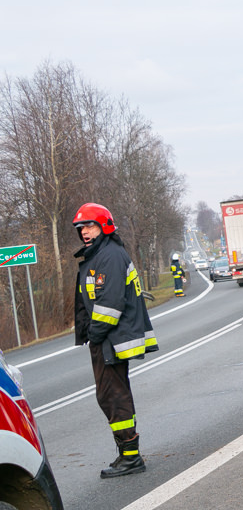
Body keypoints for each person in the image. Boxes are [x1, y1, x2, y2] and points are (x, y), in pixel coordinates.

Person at [72, 203, 158, 478]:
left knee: (113, 396)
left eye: (90, 226)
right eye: (81, 228)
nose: (85, 232)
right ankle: (128, 454)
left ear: (104, 226)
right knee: (111, 395)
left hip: (109, 339)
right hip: (107, 338)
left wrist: (94, 334)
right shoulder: (99, 255)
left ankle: (130, 457)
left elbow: (110, 303)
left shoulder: (108, 256)